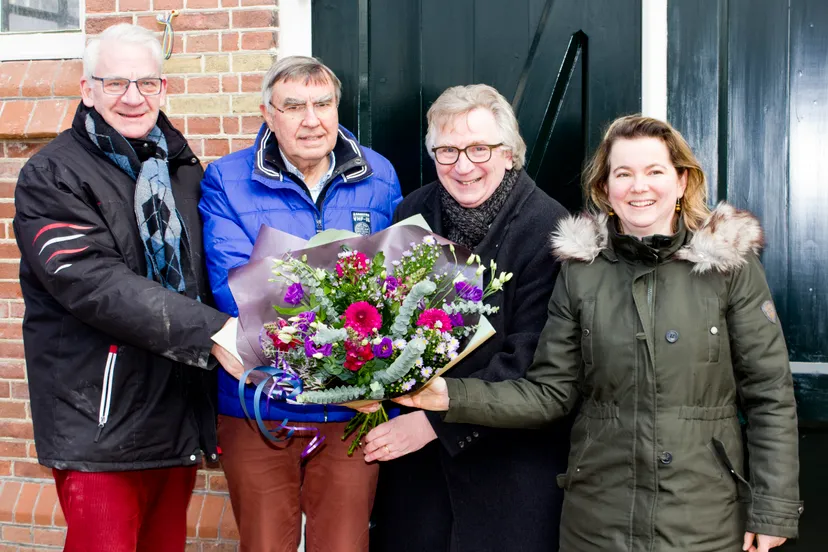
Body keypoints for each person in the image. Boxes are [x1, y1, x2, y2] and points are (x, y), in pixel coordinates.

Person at [398, 115, 803, 552]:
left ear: (682, 181)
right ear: (605, 188)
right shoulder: (581, 271)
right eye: (623, 174)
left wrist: (773, 509)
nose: (639, 187)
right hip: (597, 519)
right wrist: (449, 396)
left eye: (654, 171)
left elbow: (769, 393)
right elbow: (549, 394)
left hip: (703, 516)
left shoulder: (730, 266)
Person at [12, 24, 245, 552]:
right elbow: (93, 283)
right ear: (87, 89)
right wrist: (215, 332)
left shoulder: (181, 169)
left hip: (174, 412)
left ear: (164, 88)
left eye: (146, 83)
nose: (133, 97)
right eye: (115, 83)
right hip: (101, 419)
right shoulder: (52, 174)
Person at [199, 56, 402, 552]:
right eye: (293, 107)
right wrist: (331, 345)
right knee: (266, 543)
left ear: (337, 109)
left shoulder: (379, 174)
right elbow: (234, 286)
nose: (312, 120)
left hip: (352, 410)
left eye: (323, 104)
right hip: (260, 405)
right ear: (268, 115)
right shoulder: (226, 178)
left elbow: (396, 284)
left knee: (344, 543)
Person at [364, 84, 571, 552]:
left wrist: (435, 423)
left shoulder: (548, 228)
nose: (462, 166)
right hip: (420, 478)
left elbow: (532, 360)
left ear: (509, 153)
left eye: (479, 149)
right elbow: (392, 320)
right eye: (448, 151)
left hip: (508, 469)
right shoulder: (412, 211)